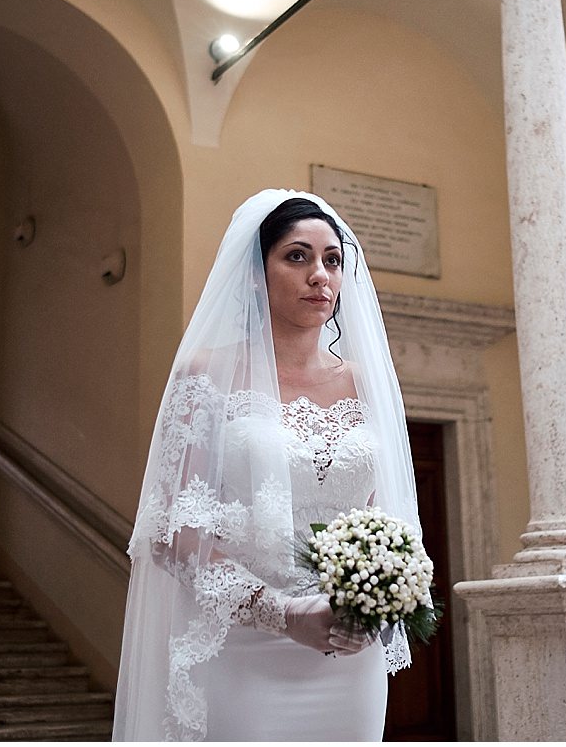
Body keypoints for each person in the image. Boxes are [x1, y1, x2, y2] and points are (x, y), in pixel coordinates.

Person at [112, 190, 424, 741]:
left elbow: (382, 514)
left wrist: (375, 592)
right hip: (244, 644)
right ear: (256, 273)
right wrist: (283, 612)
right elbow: (172, 532)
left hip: (347, 656)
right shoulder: (206, 375)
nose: (320, 276)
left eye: (332, 260)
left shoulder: (368, 384)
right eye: (297, 256)